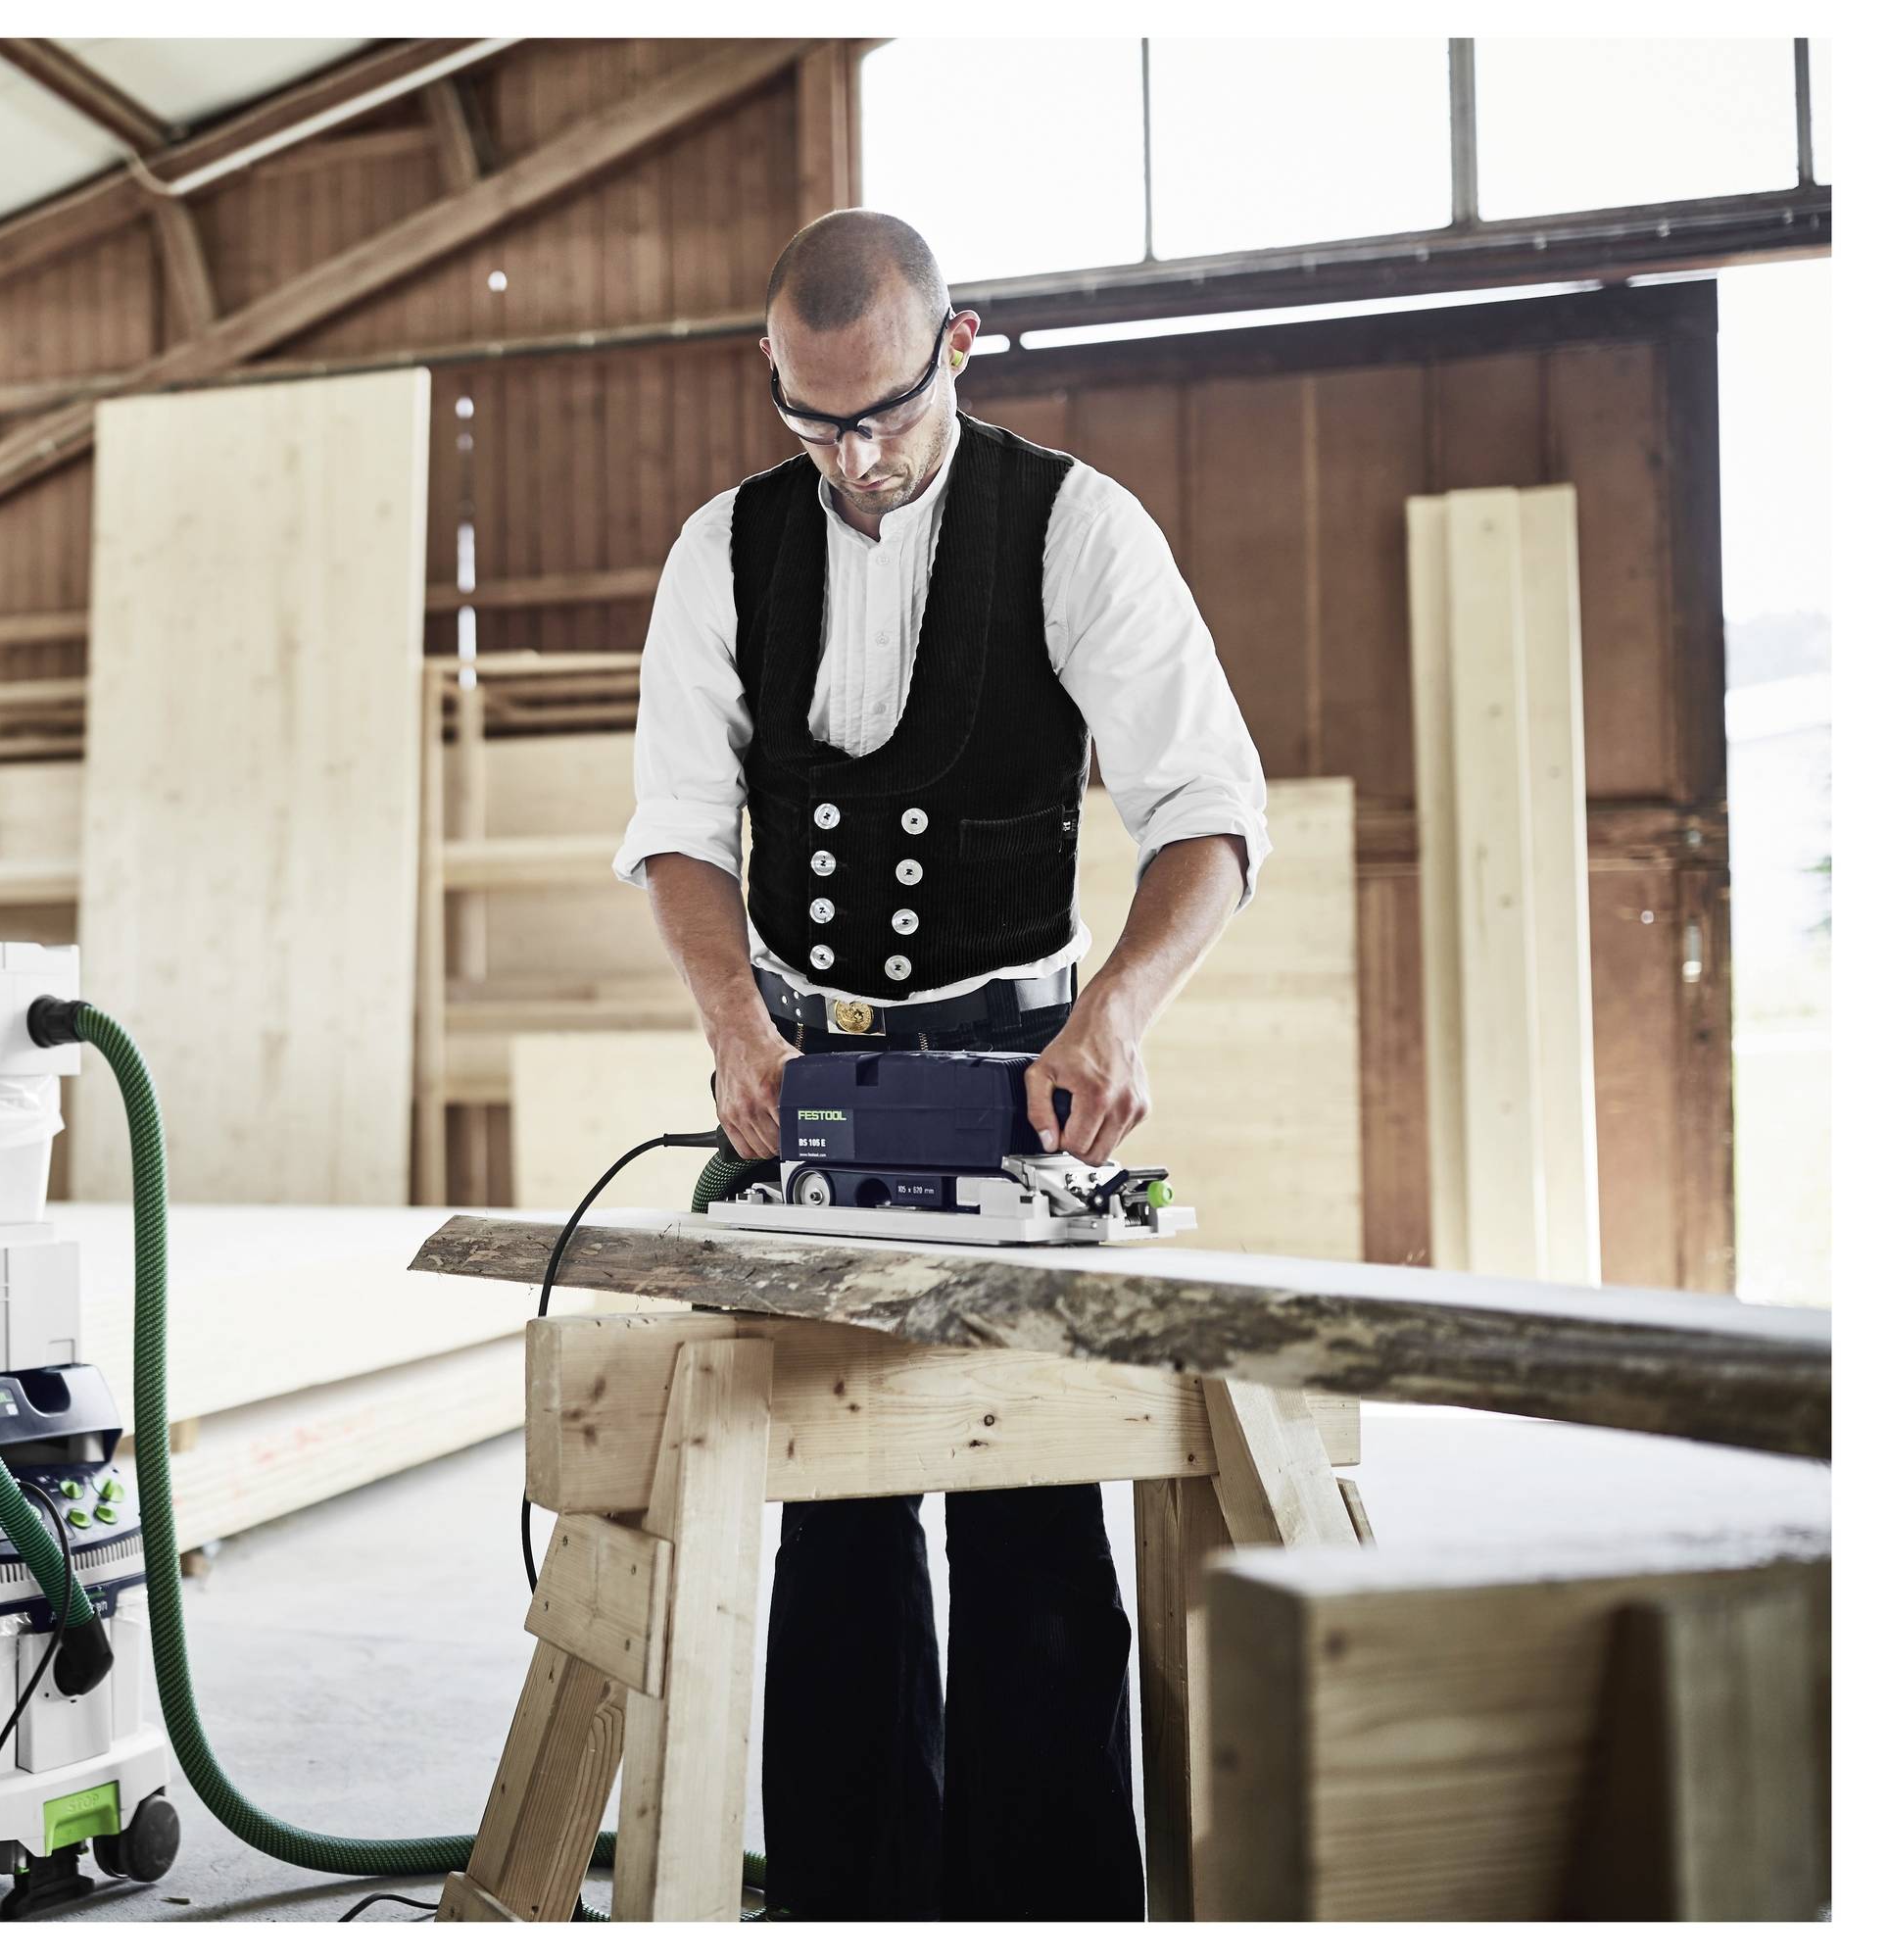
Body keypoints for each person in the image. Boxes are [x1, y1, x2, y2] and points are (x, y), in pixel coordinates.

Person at [611, 209, 1271, 1920]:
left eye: (886, 412)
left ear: (957, 348)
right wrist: (733, 1030)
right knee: (832, 1513)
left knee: (1034, 1507)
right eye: (813, 420)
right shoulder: (723, 550)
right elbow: (681, 831)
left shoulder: (1075, 530)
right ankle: (850, 1907)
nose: (857, 454)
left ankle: (1045, 1917)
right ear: (776, 382)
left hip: (1017, 1068)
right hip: (802, 1069)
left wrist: (1116, 1009)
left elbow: (1208, 814)